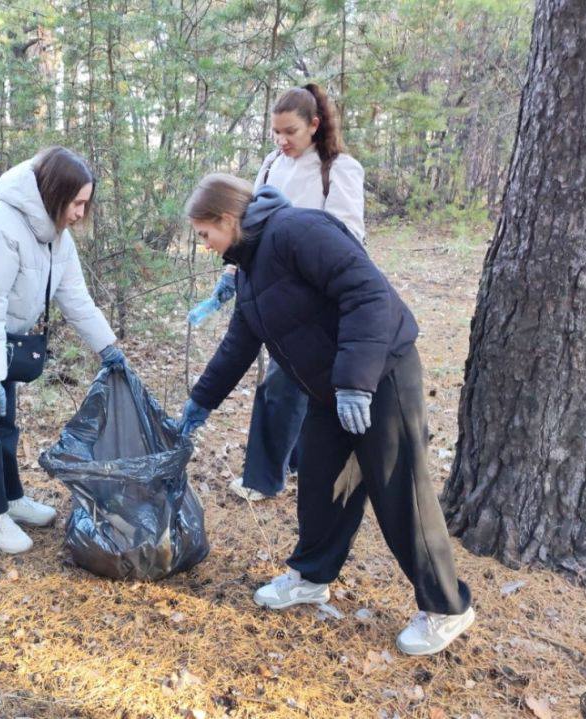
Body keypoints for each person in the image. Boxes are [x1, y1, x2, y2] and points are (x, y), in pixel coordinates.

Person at [177, 174, 474, 656]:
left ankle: (447, 607)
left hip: (381, 373)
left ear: (227, 219)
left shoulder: (297, 230)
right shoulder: (250, 268)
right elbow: (238, 345)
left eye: (205, 235)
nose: (206, 247)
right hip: (328, 388)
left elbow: (367, 294)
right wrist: (199, 403)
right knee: (320, 482)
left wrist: (356, 383)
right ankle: (312, 576)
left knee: (401, 492)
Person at [0, 147, 127, 555]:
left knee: (5, 422)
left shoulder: (55, 236)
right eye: (77, 203)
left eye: (86, 204)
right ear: (54, 194)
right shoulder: (1, 225)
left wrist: (109, 348)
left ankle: (12, 498)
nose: (81, 214)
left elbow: (76, 298)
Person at [195, 83, 365, 503]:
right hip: (272, 290)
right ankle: (283, 467)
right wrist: (232, 276)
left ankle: (265, 477)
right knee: (287, 385)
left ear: (314, 125)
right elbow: (246, 223)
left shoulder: (338, 169)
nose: (282, 140)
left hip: (316, 296)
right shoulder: (272, 163)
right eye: (275, 132)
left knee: (287, 383)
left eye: (290, 131)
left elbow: (349, 239)